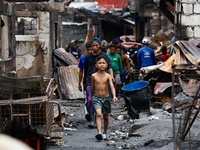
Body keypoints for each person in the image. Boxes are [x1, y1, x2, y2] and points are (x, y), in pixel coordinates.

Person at [84, 37, 113, 128]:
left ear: (100, 45)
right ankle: (92, 120)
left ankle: (98, 117)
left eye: (96, 45)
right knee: (90, 99)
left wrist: (111, 76)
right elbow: (85, 69)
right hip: (90, 81)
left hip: (101, 81)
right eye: (93, 46)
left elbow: (109, 67)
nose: (95, 47)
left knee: (99, 99)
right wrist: (84, 82)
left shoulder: (104, 56)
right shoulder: (88, 57)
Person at [91, 55, 118, 140]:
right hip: (97, 98)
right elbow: (92, 88)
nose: (101, 65)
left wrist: (114, 96)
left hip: (106, 98)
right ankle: (99, 132)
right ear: (96, 65)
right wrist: (91, 98)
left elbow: (112, 87)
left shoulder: (108, 76)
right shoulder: (94, 76)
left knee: (106, 117)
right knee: (99, 114)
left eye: (103, 63)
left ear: (106, 65)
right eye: (99, 63)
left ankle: (104, 132)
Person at [78, 42, 92, 122]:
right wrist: (79, 83)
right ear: (85, 50)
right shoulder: (83, 58)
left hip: (95, 81)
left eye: (91, 49)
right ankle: (88, 113)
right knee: (87, 98)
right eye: (88, 50)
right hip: (86, 80)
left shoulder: (96, 58)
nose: (89, 51)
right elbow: (81, 72)